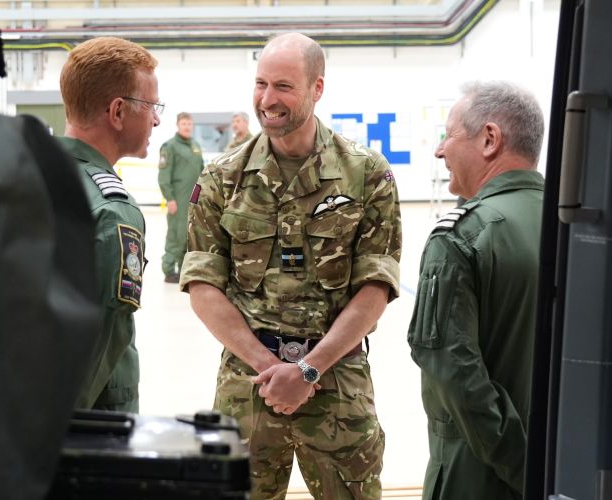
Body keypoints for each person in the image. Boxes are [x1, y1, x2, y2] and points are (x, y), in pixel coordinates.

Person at [179, 33, 401, 499]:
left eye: (283, 86)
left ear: (317, 88)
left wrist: (308, 371)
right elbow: (202, 284)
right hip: (249, 383)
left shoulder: (366, 174)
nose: (267, 99)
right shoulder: (222, 177)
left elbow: (376, 287)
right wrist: (272, 369)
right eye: (261, 83)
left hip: (337, 378)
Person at [407, 81, 545, 500]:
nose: (439, 150)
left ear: (489, 139)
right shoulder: (577, 226)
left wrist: (526, 471)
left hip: (481, 478)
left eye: (448, 135)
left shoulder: (463, 236)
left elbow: (456, 375)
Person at [58, 36, 162, 412]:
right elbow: (100, 341)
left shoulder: (25, 173)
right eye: (151, 105)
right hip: (89, 428)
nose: (156, 118)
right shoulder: (113, 211)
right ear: (118, 112)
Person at [158, 112, 204, 283]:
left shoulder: (195, 146)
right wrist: (169, 198)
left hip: (193, 200)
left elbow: (201, 173)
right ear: (178, 125)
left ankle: (183, 268)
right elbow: (164, 175)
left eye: (189, 124)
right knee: (176, 234)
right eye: (184, 124)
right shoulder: (169, 147)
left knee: (189, 234)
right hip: (177, 199)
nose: (187, 127)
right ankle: (169, 269)